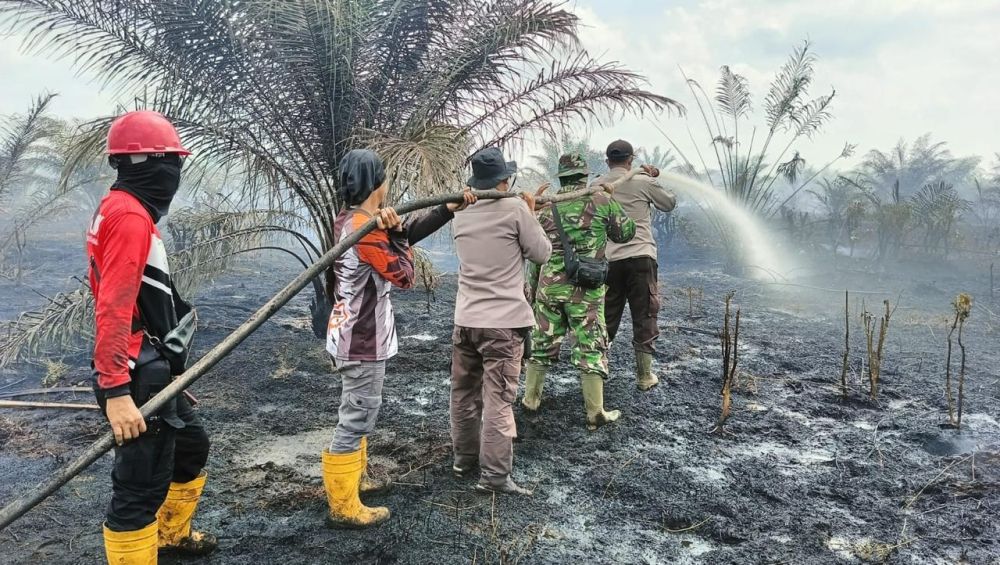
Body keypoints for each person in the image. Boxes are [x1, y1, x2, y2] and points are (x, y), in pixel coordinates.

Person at [322, 149, 474, 527]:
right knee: (357, 417)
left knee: (356, 410)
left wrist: (445, 211)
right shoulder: (366, 228)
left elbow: (399, 239)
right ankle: (343, 507)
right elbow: (404, 275)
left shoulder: (351, 218)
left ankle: (355, 479)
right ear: (378, 182)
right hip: (361, 337)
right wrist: (395, 233)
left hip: (348, 329)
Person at [88, 111, 215, 564]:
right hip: (135, 372)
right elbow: (113, 307)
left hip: (154, 367)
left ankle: (172, 537)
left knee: (190, 449)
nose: (175, 175)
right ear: (148, 163)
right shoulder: (129, 218)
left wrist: (173, 375)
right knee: (138, 489)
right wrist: (118, 391)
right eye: (171, 163)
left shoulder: (124, 207)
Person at [450, 147, 551, 496]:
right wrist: (531, 212)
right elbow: (542, 253)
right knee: (498, 398)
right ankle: (494, 477)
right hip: (503, 325)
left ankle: (464, 460)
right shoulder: (516, 209)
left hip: (466, 321)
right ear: (505, 181)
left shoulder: (461, 214)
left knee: (463, 393)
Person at [523, 153, 636, 430]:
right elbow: (626, 234)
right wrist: (611, 198)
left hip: (549, 287)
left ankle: (530, 400)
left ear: (560, 177)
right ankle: (595, 412)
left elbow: (536, 254)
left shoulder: (546, 207)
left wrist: (535, 291)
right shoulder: (600, 200)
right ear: (585, 176)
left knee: (541, 345)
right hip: (585, 291)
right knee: (590, 345)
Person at [595, 139, 676, 391]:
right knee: (645, 314)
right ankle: (644, 376)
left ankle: (598, 370)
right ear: (631, 160)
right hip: (641, 257)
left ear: (608, 161)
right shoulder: (643, 181)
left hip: (609, 260)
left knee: (606, 316)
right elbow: (669, 203)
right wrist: (653, 177)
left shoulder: (597, 186)